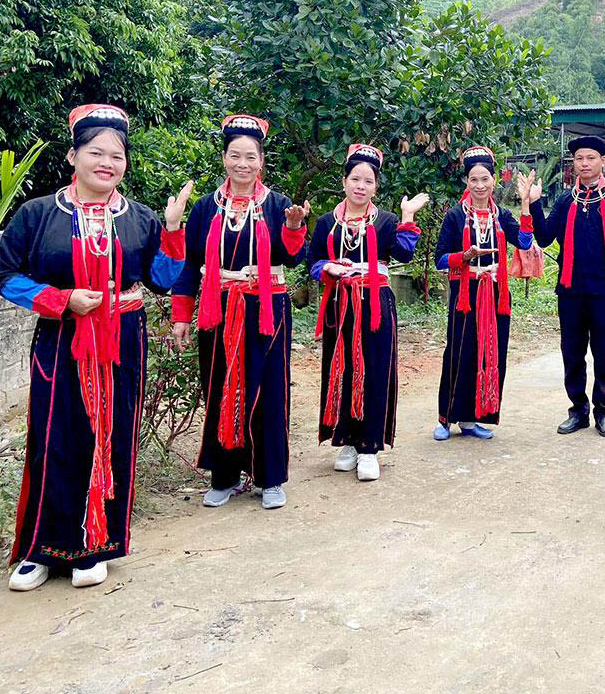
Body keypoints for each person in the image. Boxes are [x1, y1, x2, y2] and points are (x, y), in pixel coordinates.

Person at [0, 103, 191, 591]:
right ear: (72, 155)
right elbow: (6, 277)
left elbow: (164, 280)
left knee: (112, 435)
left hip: (123, 339)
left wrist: (171, 229)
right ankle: (43, 549)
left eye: (117, 155)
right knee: (55, 436)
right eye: (96, 152)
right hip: (61, 342)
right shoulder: (38, 215)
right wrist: (61, 300)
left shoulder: (139, 217)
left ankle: (94, 547)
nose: (107, 162)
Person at [170, 115, 309, 511]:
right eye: (235, 156)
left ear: (261, 161)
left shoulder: (279, 205)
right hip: (218, 309)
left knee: (268, 391)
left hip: (266, 310)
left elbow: (291, 256)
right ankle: (225, 476)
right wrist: (182, 314)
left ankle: (269, 478)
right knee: (218, 387)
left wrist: (295, 228)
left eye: (251, 156)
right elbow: (188, 265)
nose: (242, 164)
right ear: (225, 158)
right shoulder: (203, 210)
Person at [310, 144, 427, 481]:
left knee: (375, 372)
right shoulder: (326, 223)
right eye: (355, 178)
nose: (361, 186)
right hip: (339, 305)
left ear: (376, 187)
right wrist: (327, 268)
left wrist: (407, 219)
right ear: (344, 181)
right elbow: (313, 262)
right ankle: (346, 440)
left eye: (369, 181)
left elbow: (403, 255)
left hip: (375, 304)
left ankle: (370, 448)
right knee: (342, 369)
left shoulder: (386, 221)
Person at [527, 135, 605, 437]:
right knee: (572, 353)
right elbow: (544, 237)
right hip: (570, 291)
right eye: (579, 159)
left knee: (604, 353)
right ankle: (578, 410)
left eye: (590, 158)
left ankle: (603, 412)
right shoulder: (565, 200)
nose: (584, 164)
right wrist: (532, 204)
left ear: (602, 162)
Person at [433, 146, 535, 440]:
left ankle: (473, 418)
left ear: (494, 181)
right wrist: (464, 256)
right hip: (466, 292)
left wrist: (525, 204)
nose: (480, 185)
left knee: (490, 352)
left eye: (485, 179)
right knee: (458, 353)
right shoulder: (455, 217)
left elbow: (525, 243)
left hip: (495, 293)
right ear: (466, 182)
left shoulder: (501, 215)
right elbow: (441, 258)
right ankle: (446, 419)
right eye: (473, 180)